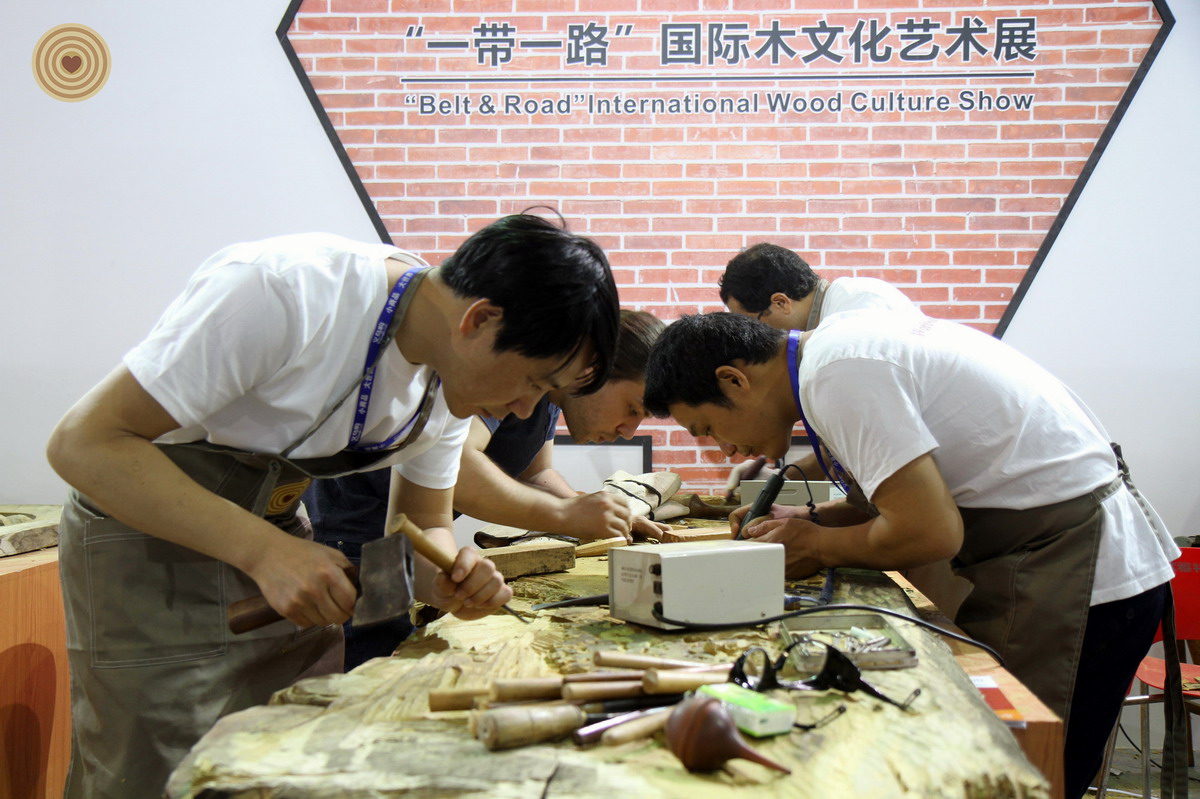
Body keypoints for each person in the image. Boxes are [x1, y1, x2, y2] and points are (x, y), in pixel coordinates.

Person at [45, 213, 620, 798]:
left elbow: (425, 524)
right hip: (148, 542)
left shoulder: (448, 380)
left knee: (280, 757)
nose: (526, 410)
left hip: (275, 536)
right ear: (479, 320)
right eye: (533, 381)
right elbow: (85, 442)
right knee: (158, 767)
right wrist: (266, 552)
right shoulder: (286, 290)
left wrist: (445, 576)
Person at [643, 311, 1178, 799]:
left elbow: (931, 531)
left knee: (1022, 773)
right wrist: (807, 521)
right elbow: (898, 497)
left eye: (709, 429)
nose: (725, 451)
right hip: (1053, 555)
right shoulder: (831, 356)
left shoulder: (837, 374)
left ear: (734, 380)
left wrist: (819, 546)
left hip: (1082, 575)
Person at [305, 309, 667, 669]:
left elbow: (534, 473)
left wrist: (590, 509)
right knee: (368, 666)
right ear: (594, 370)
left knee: (401, 653)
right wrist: (565, 515)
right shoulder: (509, 383)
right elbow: (456, 469)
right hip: (356, 531)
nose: (629, 430)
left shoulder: (548, 401)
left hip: (413, 526)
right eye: (632, 408)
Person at [719, 242, 918, 331]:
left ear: (781, 303)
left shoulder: (852, 316)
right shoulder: (851, 295)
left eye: (755, 324)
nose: (759, 334)